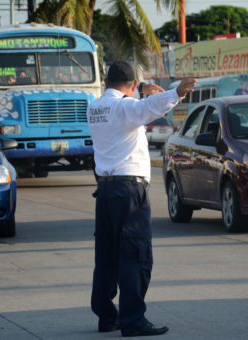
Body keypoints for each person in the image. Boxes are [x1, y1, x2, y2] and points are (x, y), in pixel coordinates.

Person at [87, 61, 197, 337]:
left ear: (107, 81)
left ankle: (106, 316)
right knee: (136, 256)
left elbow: (128, 104)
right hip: (128, 191)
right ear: (133, 85)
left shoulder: (95, 107)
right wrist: (176, 93)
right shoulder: (126, 108)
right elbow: (144, 109)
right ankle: (133, 321)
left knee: (107, 258)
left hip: (106, 192)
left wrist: (141, 91)